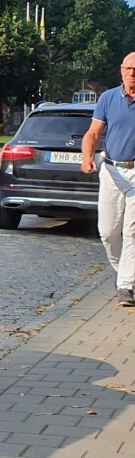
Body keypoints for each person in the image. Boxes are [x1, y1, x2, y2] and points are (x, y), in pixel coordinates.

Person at [82, 52, 135, 307]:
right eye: (128, 69)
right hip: (112, 171)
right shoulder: (108, 98)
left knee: (132, 232)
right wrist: (87, 157)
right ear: (121, 70)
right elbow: (93, 133)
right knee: (108, 232)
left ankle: (125, 286)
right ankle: (126, 275)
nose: (131, 73)